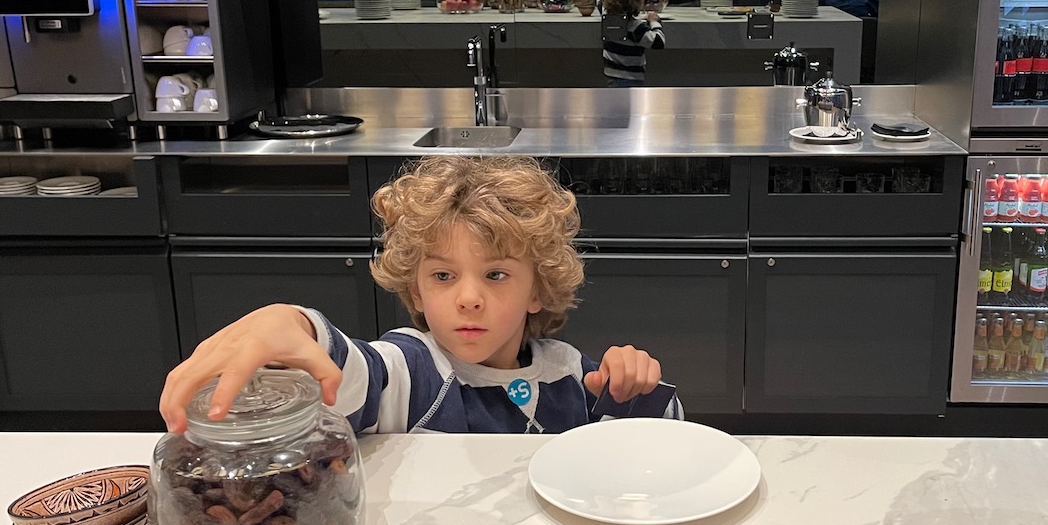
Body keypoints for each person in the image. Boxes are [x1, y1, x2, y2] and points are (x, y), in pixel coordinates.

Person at [159, 156, 682, 436]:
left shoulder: (569, 375)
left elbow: (666, 436)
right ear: (415, 286)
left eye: (496, 275)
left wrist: (631, 385)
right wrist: (295, 324)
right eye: (443, 276)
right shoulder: (411, 370)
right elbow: (353, 380)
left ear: (537, 290)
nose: (469, 298)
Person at [596, 0, 665, 86]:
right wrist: (654, 21)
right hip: (632, 79)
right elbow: (658, 42)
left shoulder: (606, 15)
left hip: (611, 76)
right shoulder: (635, 27)